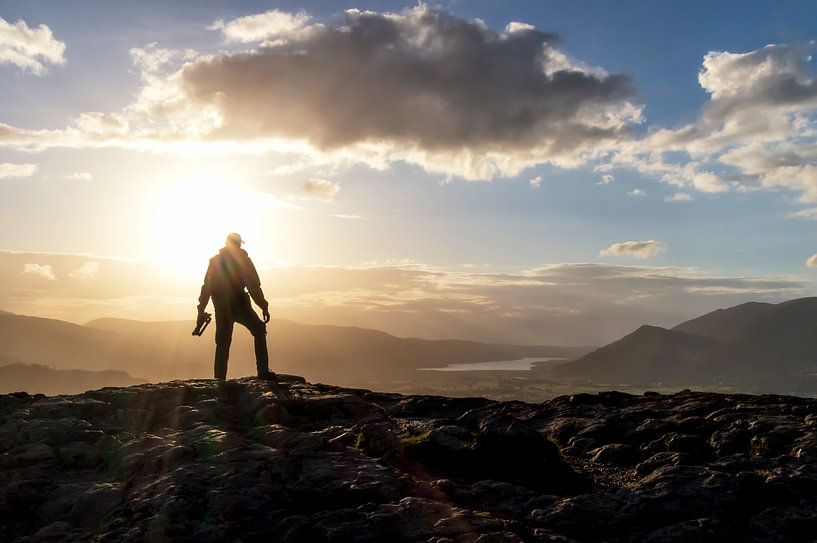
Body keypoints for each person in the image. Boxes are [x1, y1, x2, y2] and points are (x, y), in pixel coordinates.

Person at [197, 233, 274, 380]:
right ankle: (263, 372)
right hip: (240, 304)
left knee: (223, 340)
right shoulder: (244, 261)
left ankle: (219, 379)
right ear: (239, 244)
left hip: (221, 304)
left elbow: (207, 286)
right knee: (258, 329)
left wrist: (201, 309)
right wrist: (263, 306)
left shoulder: (215, 261)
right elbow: (253, 286)